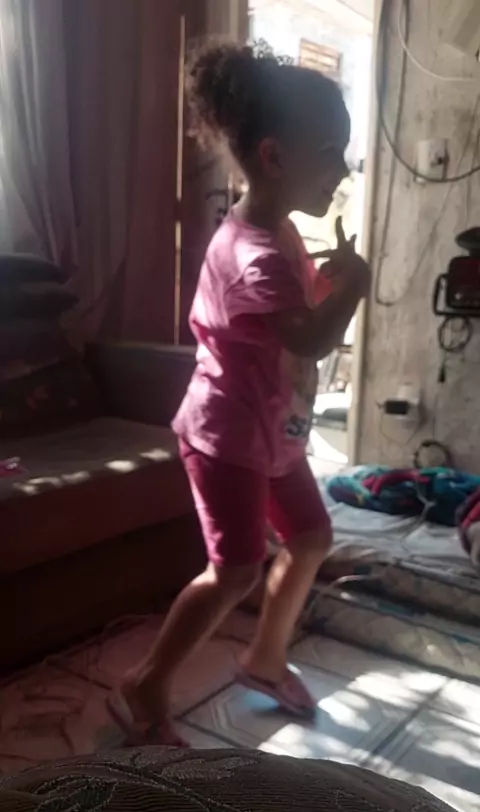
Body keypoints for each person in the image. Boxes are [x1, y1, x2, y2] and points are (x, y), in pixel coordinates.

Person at [108, 41, 371, 745]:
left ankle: (265, 659)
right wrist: (355, 288)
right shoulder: (253, 250)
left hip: (272, 430)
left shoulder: (277, 232)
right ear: (275, 156)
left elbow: (291, 313)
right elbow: (307, 338)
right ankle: (145, 682)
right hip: (225, 437)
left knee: (311, 536)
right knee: (235, 572)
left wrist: (329, 283)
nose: (344, 170)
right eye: (331, 152)